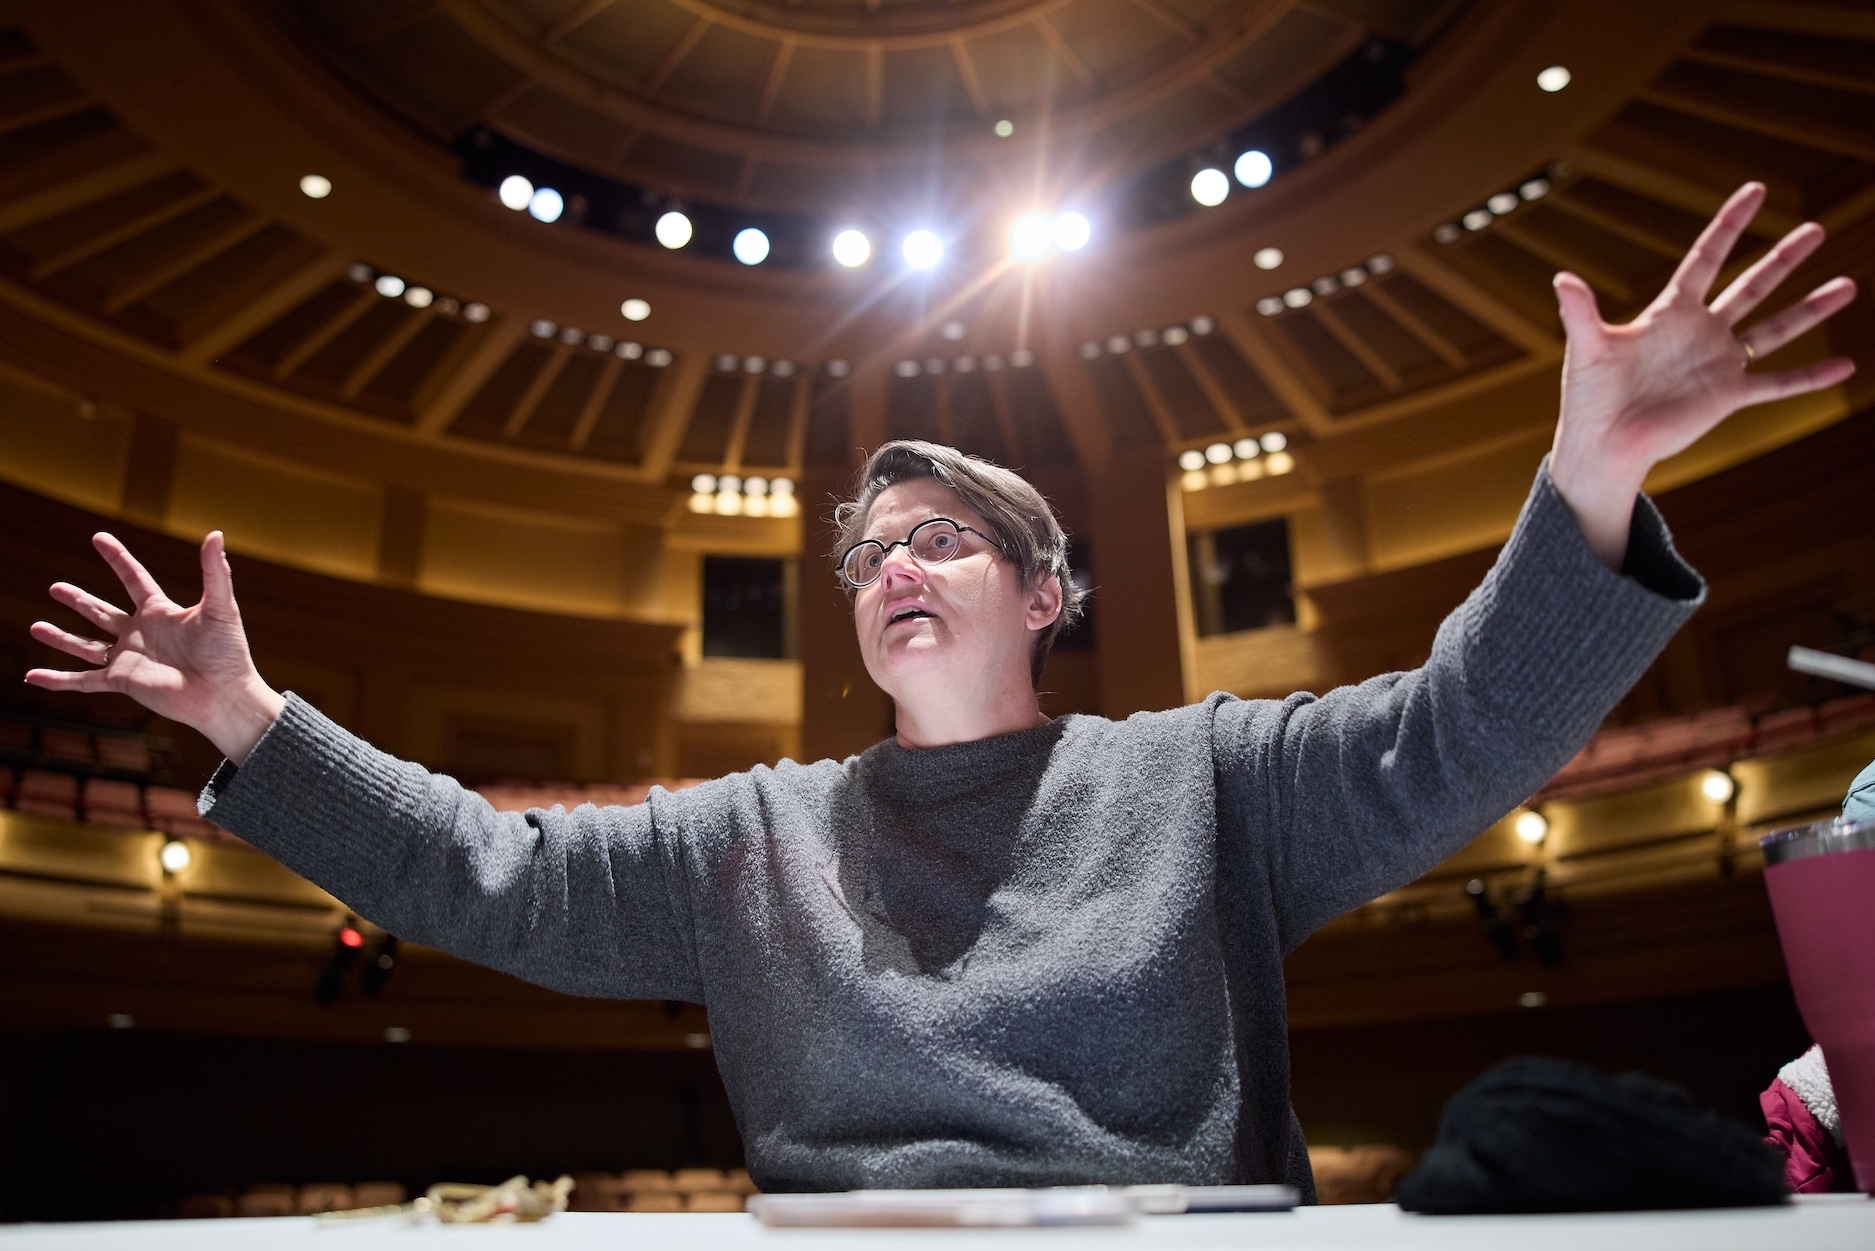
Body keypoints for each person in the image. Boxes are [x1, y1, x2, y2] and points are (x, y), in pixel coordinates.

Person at [24, 185, 1857, 1197]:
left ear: (1046, 593)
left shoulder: (1208, 781)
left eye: (945, 538)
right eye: (870, 551)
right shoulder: (757, 837)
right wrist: (251, 724)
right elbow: (487, 874)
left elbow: (1471, 727)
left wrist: (1594, 469)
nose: (893, 563)